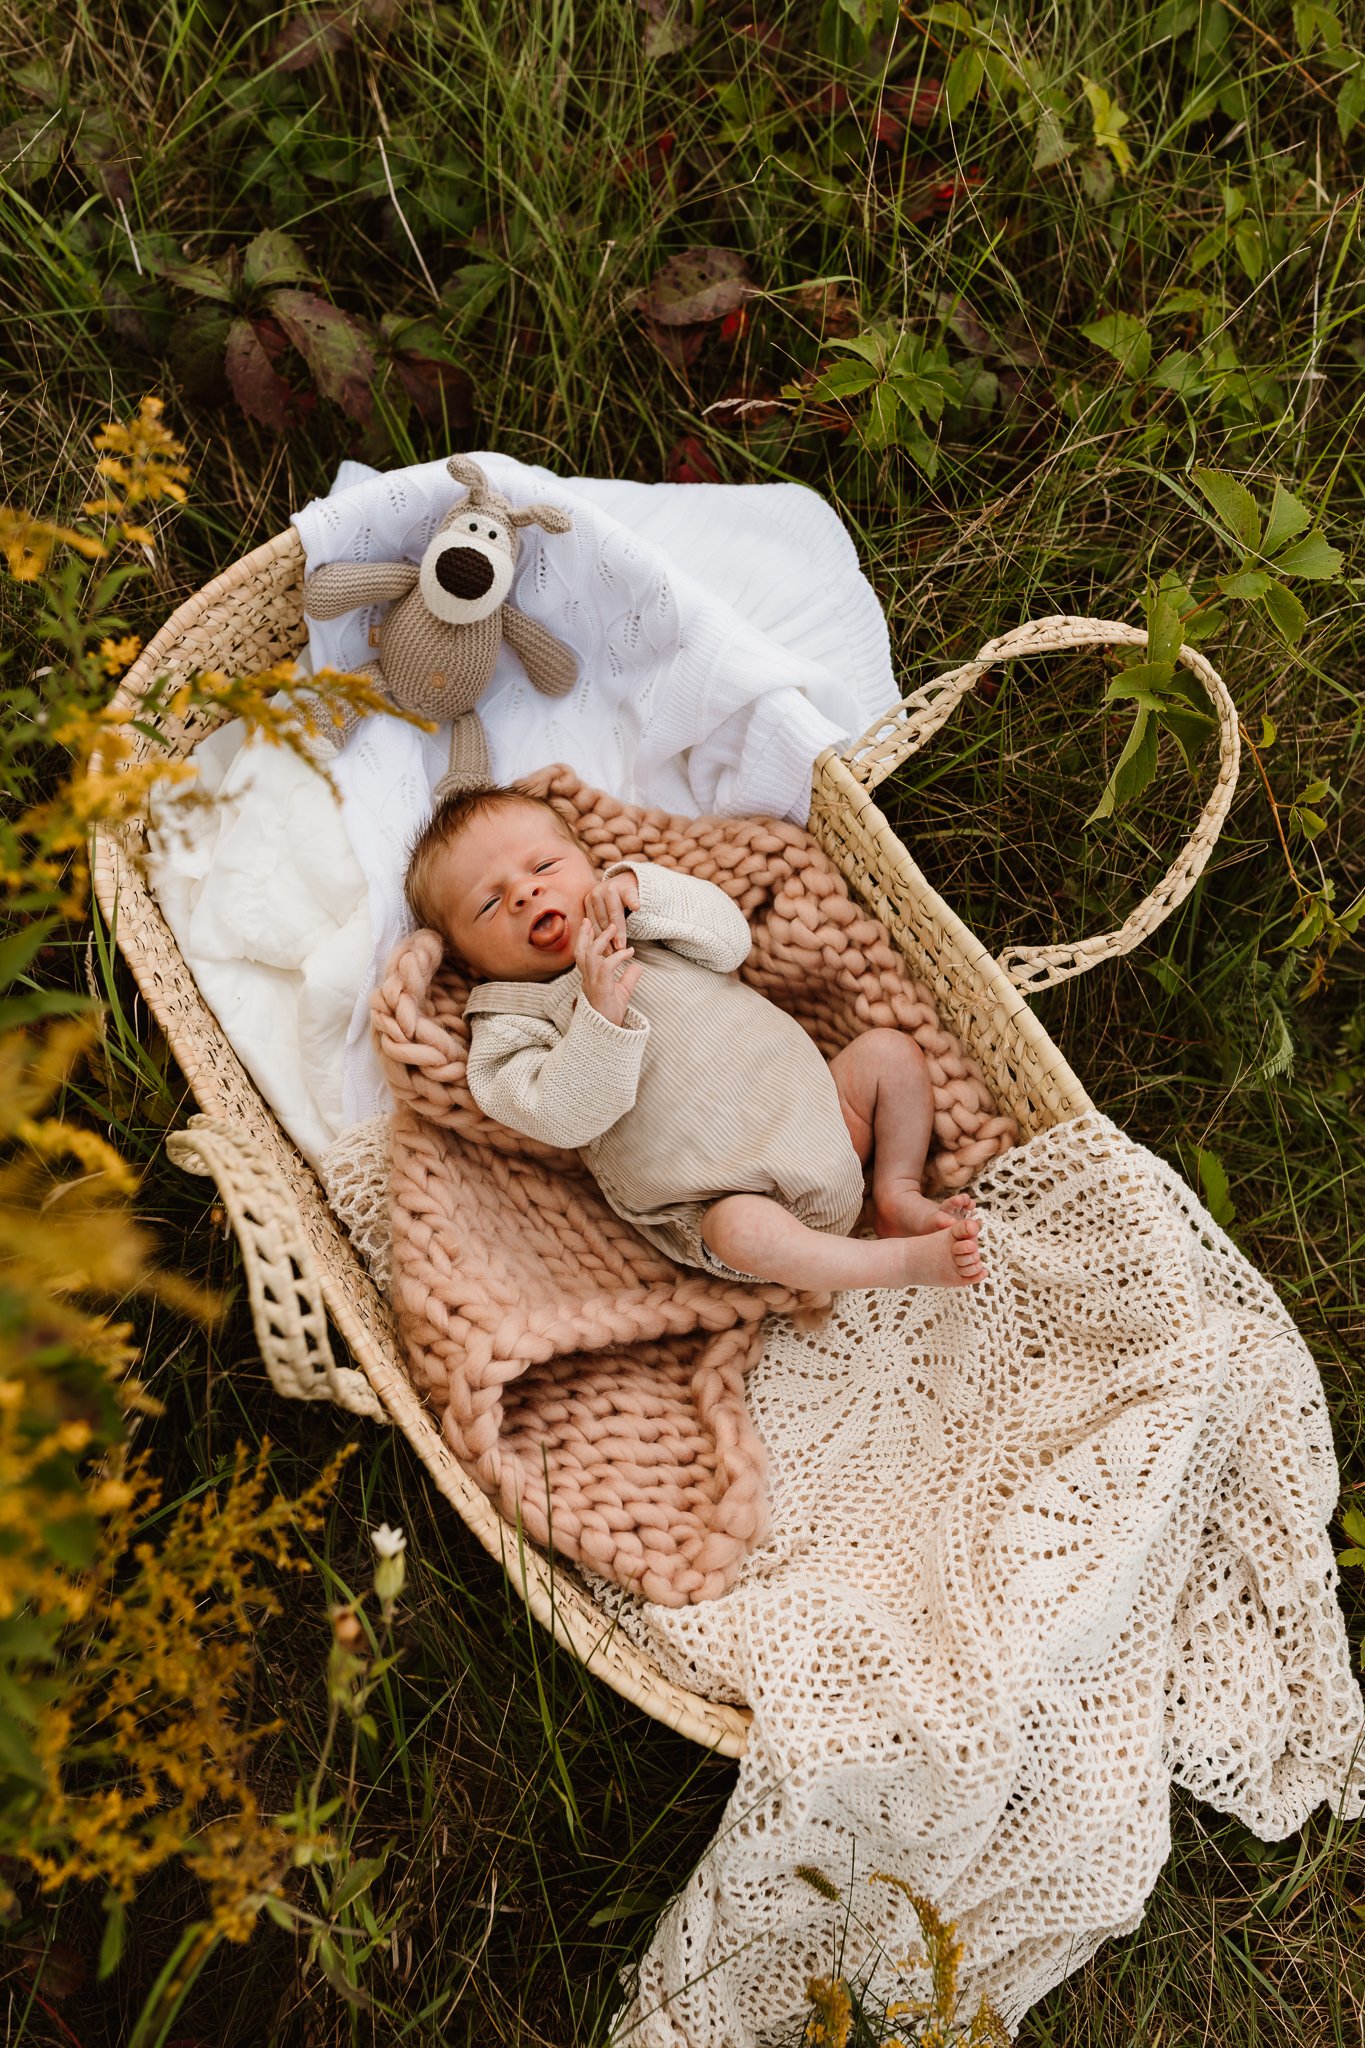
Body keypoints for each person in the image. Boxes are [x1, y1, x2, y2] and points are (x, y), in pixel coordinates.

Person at [403, 784, 984, 1291]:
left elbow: (731, 941)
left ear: (587, 862)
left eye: (544, 867)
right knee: (742, 1232)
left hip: (830, 1118)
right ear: (469, 961)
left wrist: (644, 892)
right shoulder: (508, 1022)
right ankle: (896, 1261)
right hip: (722, 1198)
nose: (524, 894)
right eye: (488, 902)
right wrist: (598, 1019)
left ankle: (895, 1191)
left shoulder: (640, 920)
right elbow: (561, 1117)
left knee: (891, 1054)